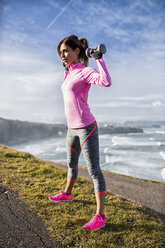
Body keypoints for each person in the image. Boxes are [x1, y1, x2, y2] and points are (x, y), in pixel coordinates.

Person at [49, 35, 112, 231]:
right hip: (71, 129)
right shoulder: (69, 73)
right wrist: (68, 67)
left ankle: (100, 216)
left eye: (66, 51)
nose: (63, 55)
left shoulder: (85, 72)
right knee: (71, 164)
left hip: (87, 128)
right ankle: (67, 194)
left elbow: (106, 81)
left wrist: (98, 58)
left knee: (94, 171)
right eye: (60, 52)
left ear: (77, 51)